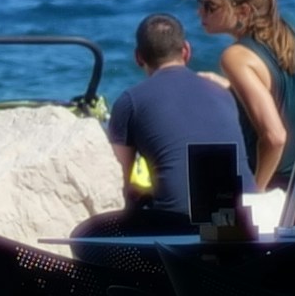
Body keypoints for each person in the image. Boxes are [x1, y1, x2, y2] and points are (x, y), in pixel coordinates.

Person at [104, 13, 257, 227]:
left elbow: (119, 180)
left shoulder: (130, 102)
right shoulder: (223, 93)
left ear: (138, 57)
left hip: (180, 227)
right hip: (245, 220)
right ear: (186, 51)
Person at [190, 0, 295, 210]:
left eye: (210, 7)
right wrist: (231, 88)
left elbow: (275, 137)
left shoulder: (235, 57)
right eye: (200, 2)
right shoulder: (291, 26)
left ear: (242, 12)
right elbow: (280, 88)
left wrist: (256, 193)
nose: (200, 12)